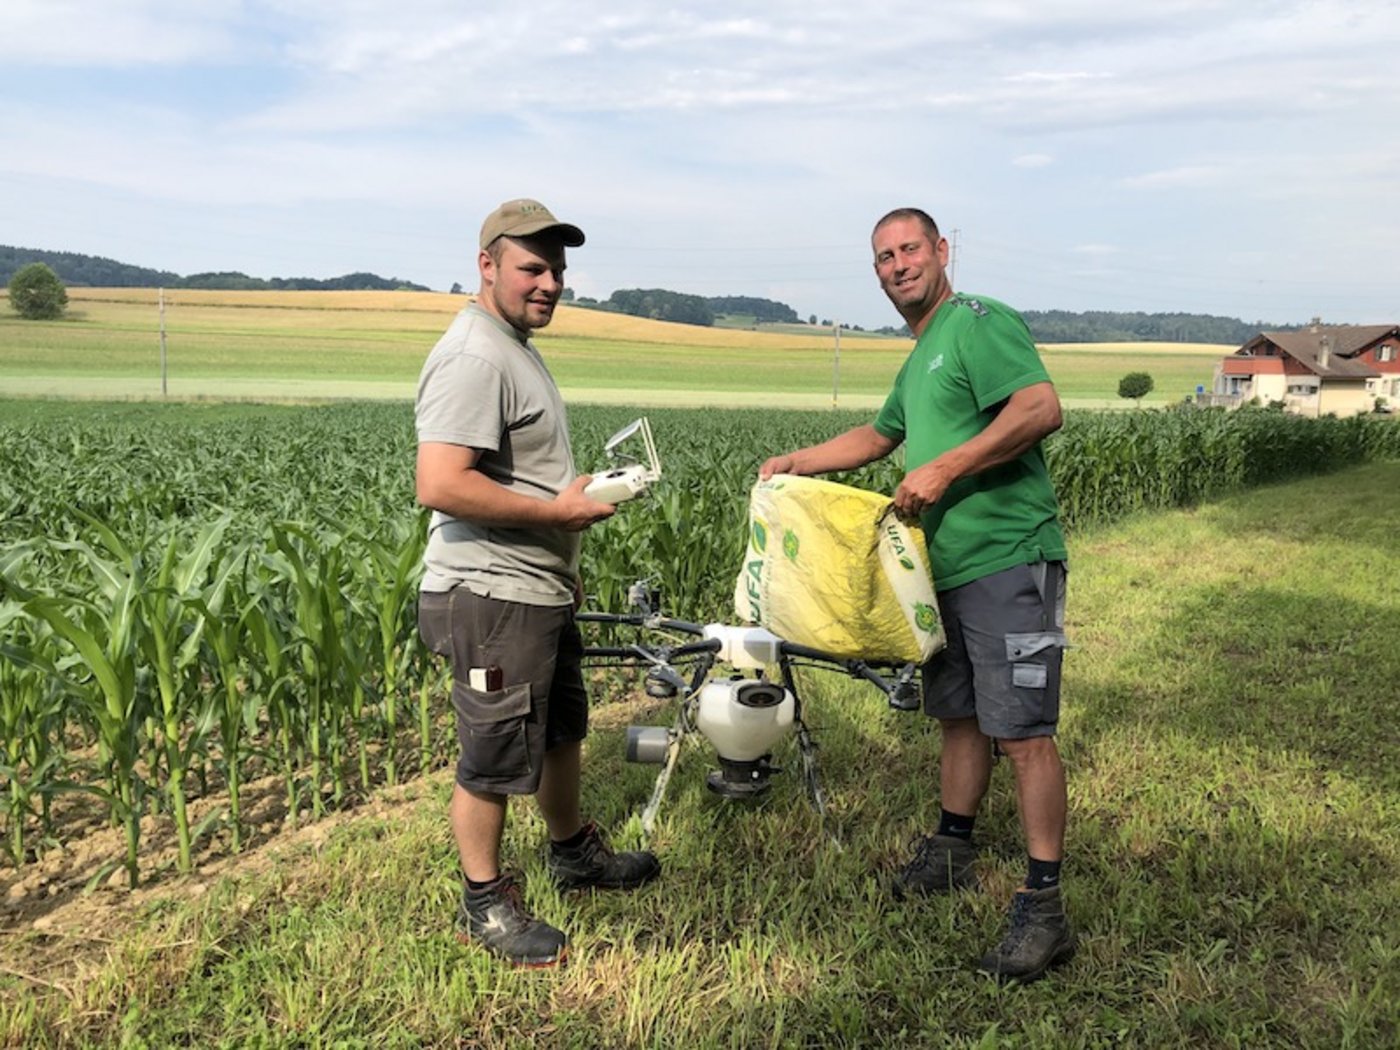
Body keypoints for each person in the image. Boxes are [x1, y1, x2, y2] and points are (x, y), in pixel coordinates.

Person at [759, 207, 1073, 982]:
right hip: (944, 571)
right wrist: (796, 461)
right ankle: (952, 849)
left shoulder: (976, 322)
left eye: (909, 249)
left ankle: (1044, 906)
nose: (898, 265)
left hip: (1010, 560)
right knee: (957, 716)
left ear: (941, 251)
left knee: (1023, 733)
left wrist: (946, 468)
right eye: (884, 257)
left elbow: (1040, 408)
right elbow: (878, 436)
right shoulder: (921, 355)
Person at [415, 198, 659, 968]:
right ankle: (484, 902)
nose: (549, 282)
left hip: (534, 586)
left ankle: (572, 854)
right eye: (532, 267)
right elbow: (440, 482)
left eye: (556, 269)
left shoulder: (512, 345)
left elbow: (517, 474)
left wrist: (563, 542)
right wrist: (556, 515)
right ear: (486, 265)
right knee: (492, 752)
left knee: (559, 730)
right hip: (490, 594)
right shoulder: (475, 355)